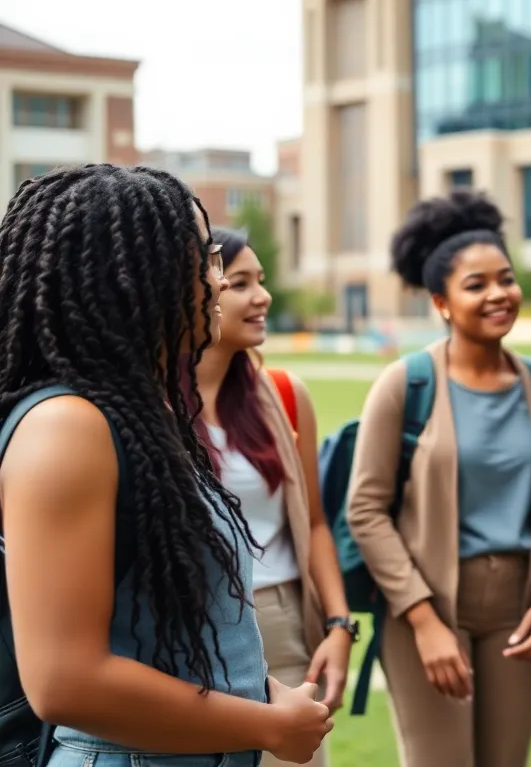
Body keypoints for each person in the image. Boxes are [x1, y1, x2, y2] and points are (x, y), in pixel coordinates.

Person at [0, 165, 332, 767]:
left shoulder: (138, 411)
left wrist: (255, 690)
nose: (218, 280)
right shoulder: (66, 428)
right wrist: (266, 725)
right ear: (134, 278)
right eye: (207, 261)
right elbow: (63, 681)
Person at [345, 190, 531, 767]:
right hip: (426, 604)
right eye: (477, 285)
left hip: (518, 608)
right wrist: (423, 621)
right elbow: (366, 511)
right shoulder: (406, 385)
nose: (498, 294)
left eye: (506, 279)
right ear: (442, 302)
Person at [189, 227, 355, 767]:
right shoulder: (151, 405)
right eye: (240, 282)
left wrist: (339, 627)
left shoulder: (284, 395)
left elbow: (313, 525)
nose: (262, 296)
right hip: (190, 629)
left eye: (261, 281)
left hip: (281, 625)